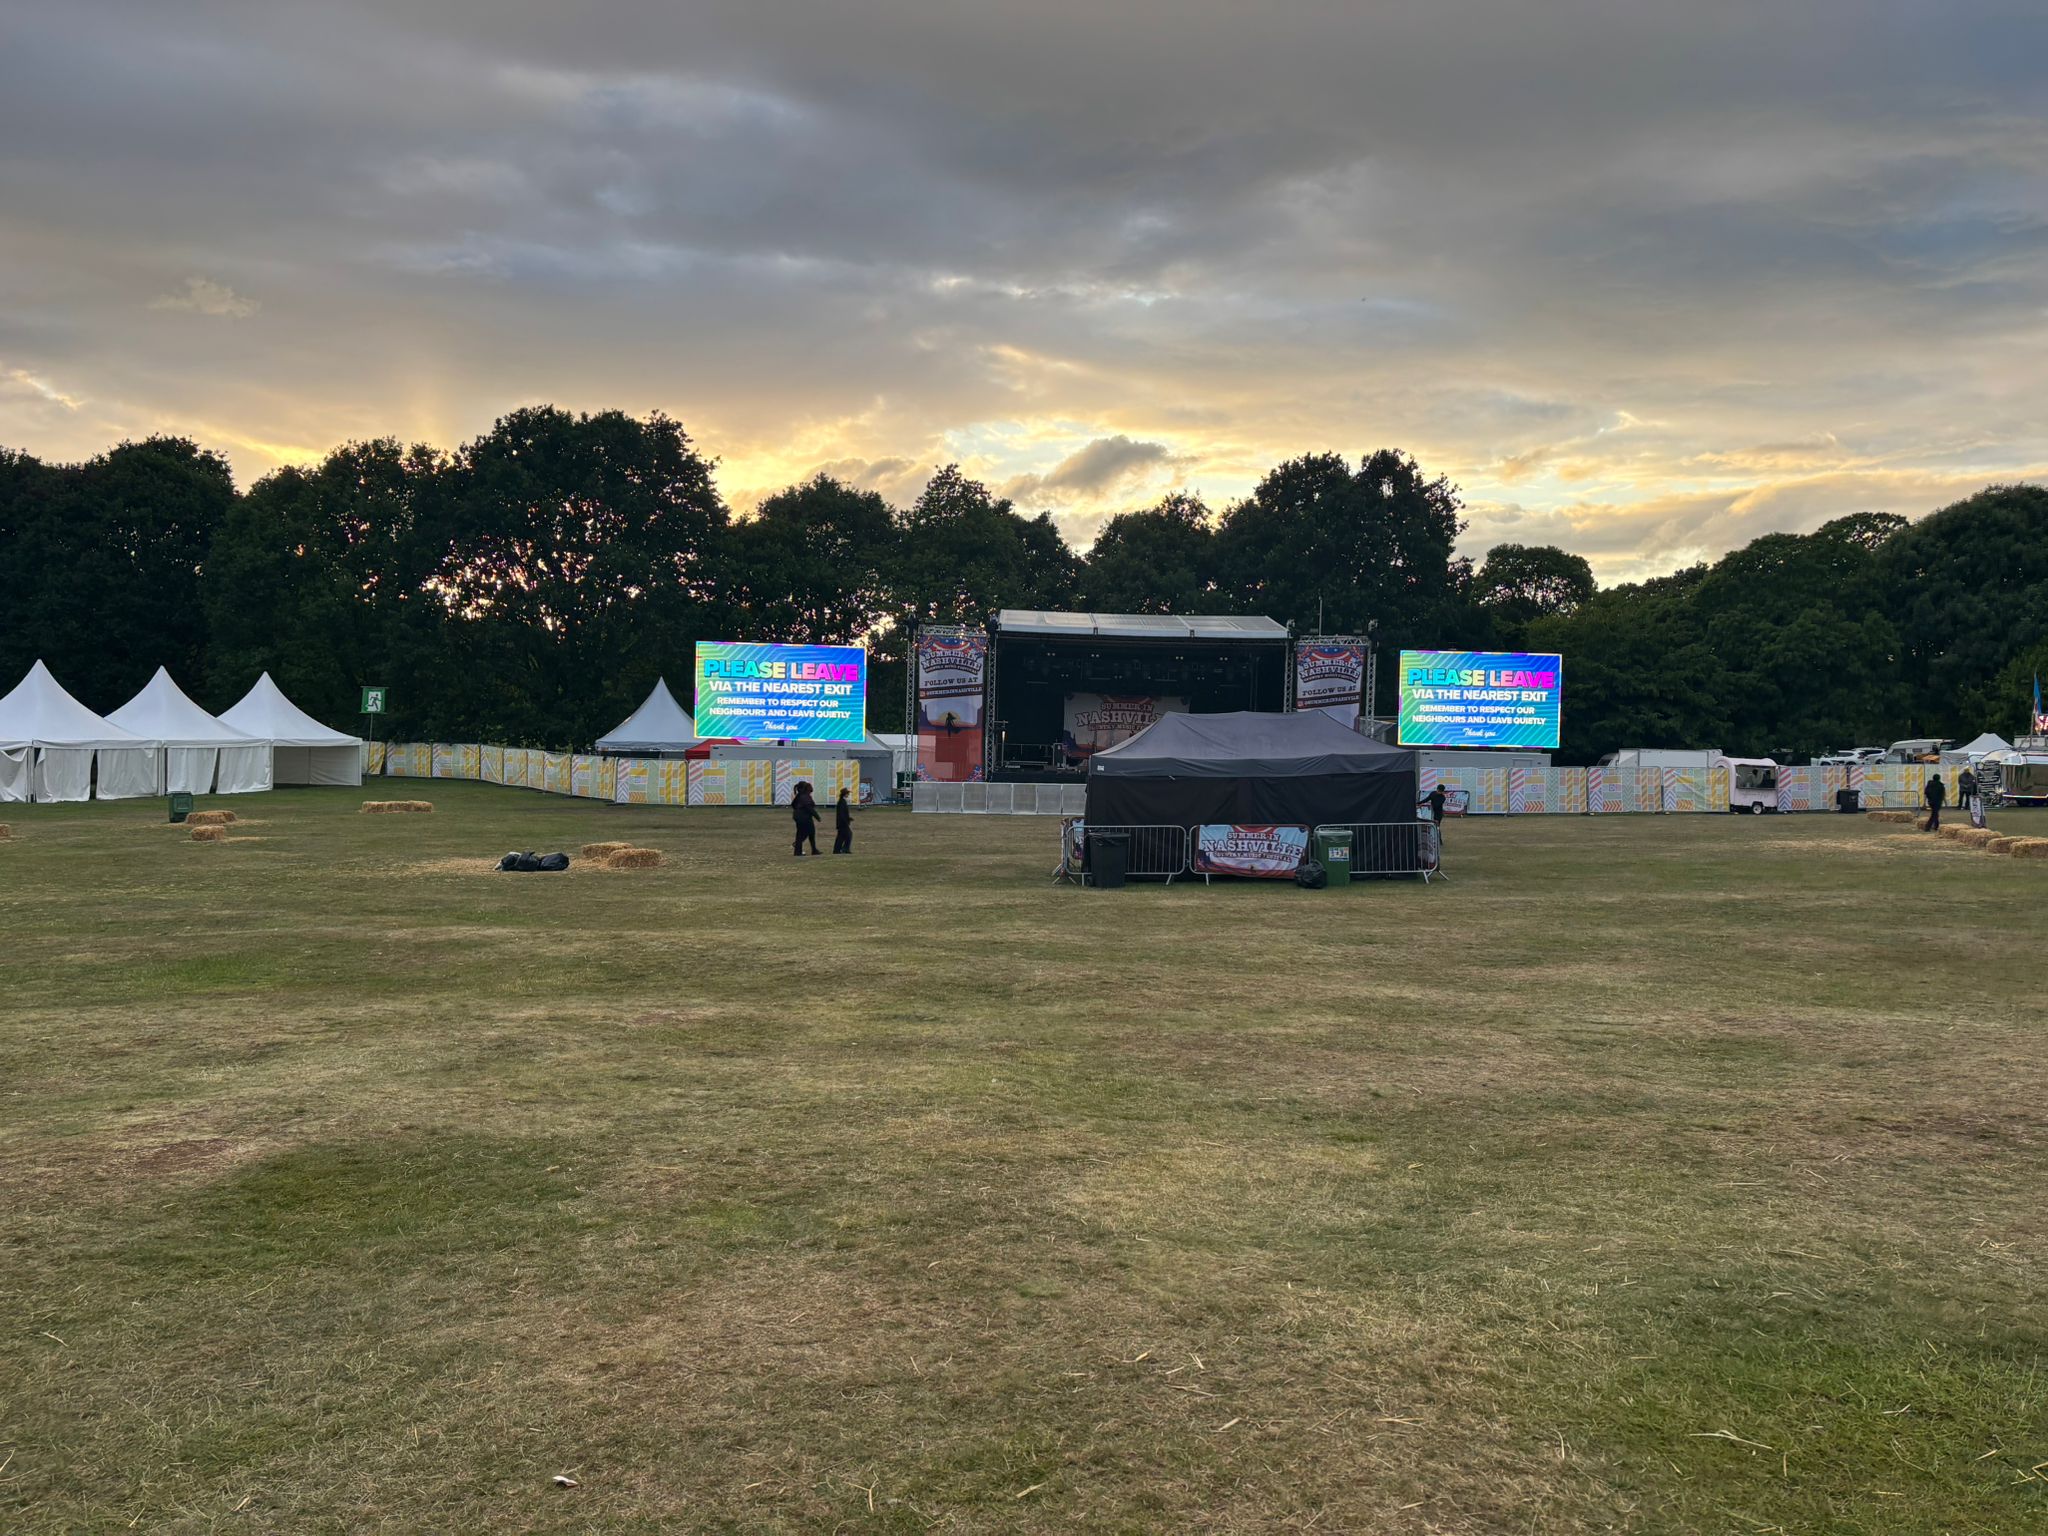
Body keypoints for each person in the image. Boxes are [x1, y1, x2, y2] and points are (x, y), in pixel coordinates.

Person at [791, 780, 820, 856]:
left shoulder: (799, 795)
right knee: (805, 833)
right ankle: (799, 850)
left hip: (799, 817)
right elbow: (809, 808)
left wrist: (798, 810)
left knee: (808, 833)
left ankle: (813, 850)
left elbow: (793, 804)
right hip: (804, 818)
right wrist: (817, 816)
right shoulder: (805, 796)